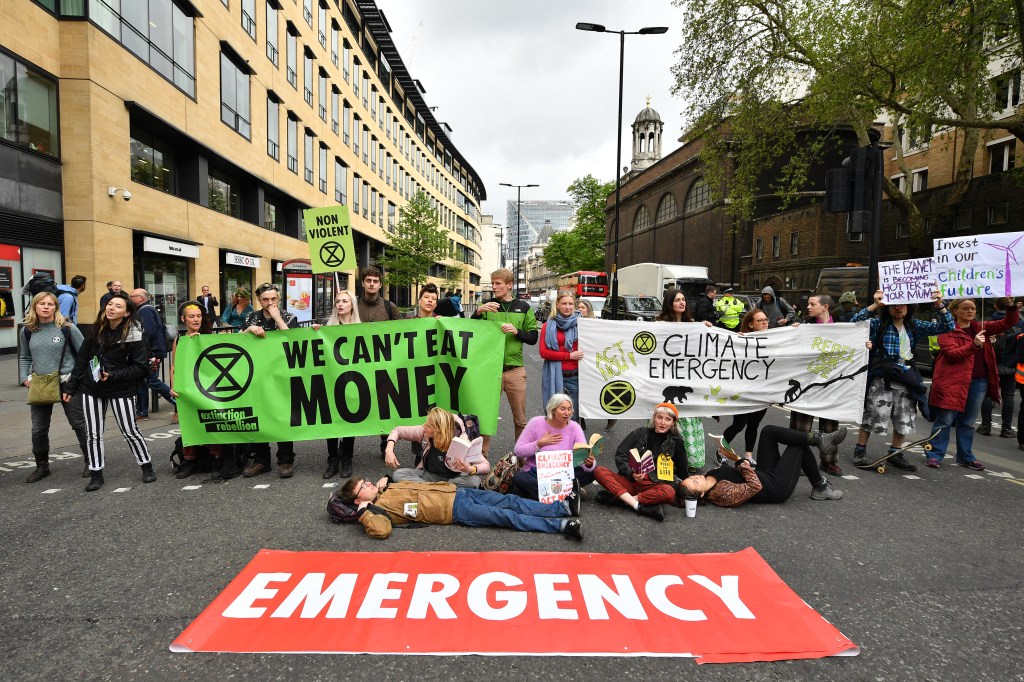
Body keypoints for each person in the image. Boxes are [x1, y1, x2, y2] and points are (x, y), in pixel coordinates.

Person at [850, 289, 954, 469]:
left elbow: (947, 327)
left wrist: (939, 305)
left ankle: (895, 453)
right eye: (894, 305)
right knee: (872, 414)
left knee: (904, 416)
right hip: (882, 376)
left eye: (902, 304)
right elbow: (854, 324)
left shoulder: (914, 326)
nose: (898, 308)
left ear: (909, 307)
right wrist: (874, 304)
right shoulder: (878, 324)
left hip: (906, 377)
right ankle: (860, 450)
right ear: (887, 308)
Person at [62, 293, 154, 492]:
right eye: (109, 304)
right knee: (93, 433)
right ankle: (96, 473)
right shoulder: (96, 330)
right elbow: (82, 360)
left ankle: (146, 466)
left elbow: (140, 368)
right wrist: (71, 387)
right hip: (91, 388)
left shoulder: (135, 333)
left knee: (129, 430)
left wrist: (111, 375)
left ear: (127, 312)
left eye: (118, 306)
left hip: (121, 388)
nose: (111, 308)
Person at [926, 298, 1019, 470]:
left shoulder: (981, 326)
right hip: (952, 382)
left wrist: (1011, 306)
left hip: (979, 382)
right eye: (966, 308)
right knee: (945, 420)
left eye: (973, 308)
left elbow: (1009, 322)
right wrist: (974, 344)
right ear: (955, 311)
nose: (971, 311)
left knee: (968, 422)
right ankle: (934, 454)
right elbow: (953, 354)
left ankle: (965, 456)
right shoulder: (947, 329)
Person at [341, 476, 583, 541]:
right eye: (364, 486)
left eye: (366, 481)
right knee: (506, 516)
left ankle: (561, 508)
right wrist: (363, 512)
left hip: (457, 492)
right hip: (454, 511)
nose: (369, 483)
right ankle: (561, 526)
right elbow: (381, 531)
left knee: (510, 500)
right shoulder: (376, 512)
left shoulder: (386, 488)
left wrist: (384, 482)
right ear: (357, 499)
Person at [680, 425, 845, 507]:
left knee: (768, 431)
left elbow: (738, 474)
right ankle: (820, 487)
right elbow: (754, 487)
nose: (695, 477)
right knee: (798, 447)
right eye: (694, 482)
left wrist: (733, 458)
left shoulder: (708, 475)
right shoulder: (720, 494)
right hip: (775, 487)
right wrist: (738, 460)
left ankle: (817, 439)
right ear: (701, 494)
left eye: (691, 477)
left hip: (763, 473)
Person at [19, 291, 89, 483]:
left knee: (78, 423)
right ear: (35, 306)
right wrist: (24, 378)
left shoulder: (66, 327)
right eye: (42, 303)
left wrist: (74, 381)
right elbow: (25, 357)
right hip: (41, 383)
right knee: (38, 428)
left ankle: (91, 461)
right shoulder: (27, 330)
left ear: (56, 307)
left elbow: (84, 354)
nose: (46, 307)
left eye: (51, 304)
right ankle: (42, 467)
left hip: (67, 382)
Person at [471, 268, 538, 454]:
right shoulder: (488, 306)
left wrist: (517, 331)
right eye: (492, 283)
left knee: (520, 420)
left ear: (509, 285)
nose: (494, 287)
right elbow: (469, 332)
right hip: (490, 371)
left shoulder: (523, 307)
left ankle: (522, 457)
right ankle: (480, 459)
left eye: (498, 283)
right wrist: (477, 312)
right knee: (485, 417)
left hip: (515, 370)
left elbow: (533, 337)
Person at [169, 301, 236, 480]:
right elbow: (174, 366)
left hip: (208, 388)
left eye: (199, 316)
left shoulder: (210, 337)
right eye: (192, 316)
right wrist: (173, 386)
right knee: (189, 425)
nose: (196, 319)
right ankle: (189, 462)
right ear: (183, 319)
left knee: (211, 423)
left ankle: (216, 461)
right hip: (188, 390)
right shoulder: (179, 340)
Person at [241, 282, 300, 478]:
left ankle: (285, 460)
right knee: (259, 416)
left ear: (279, 299)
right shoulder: (251, 317)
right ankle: (261, 460)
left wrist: (277, 319)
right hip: (257, 374)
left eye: (273, 299)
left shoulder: (289, 316)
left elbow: (294, 340)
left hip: (281, 374)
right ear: (259, 300)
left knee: (281, 416)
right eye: (265, 299)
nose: (269, 302)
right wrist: (249, 329)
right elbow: (238, 341)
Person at [593, 403, 688, 522]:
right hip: (631, 481)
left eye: (668, 419)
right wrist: (631, 473)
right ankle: (641, 506)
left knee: (669, 492)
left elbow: (683, 471)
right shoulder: (640, 432)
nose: (663, 422)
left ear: (673, 422)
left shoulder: (677, 441)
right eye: (660, 417)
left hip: (654, 486)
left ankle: (623, 500)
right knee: (598, 470)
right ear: (654, 418)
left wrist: (687, 491)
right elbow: (621, 455)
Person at [654, 288, 710, 474]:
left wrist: (707, 329)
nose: (682, 303)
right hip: (666, 380)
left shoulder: (693, 324)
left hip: (686, 378)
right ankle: (665, 461)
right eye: (677, 300)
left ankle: (690, 462)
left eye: (684, 299)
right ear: (670, 303)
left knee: (688, 420)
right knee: (666, 420)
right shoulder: (659, 324)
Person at [789, 294, 843, 475]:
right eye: (808, 304)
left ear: (825, 307)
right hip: (807, 383)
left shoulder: (843, 328)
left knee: (830, 425)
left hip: (831, 383)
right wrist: (794, 332)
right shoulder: (805, 326)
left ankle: (828, 461)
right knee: (801, 426)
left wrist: (864, 344)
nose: (808, 307)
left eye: (813, 304)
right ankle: (796, 460)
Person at [512, 393, 595, 500]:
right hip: (538, 473)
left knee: (594, 471)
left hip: (564, 473)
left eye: (569, 409)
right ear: (553, 410)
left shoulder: (575, 427)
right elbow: (518, 450)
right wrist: (538, 443)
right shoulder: (536, 422)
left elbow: (583, 455)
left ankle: (544, 493)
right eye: (563, 409)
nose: (567, 413)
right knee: (519, 478)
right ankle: (568, 492)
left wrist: (589, 464)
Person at [356, 266, 400, 457]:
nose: (372, 284)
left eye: (375, 281)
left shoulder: (390, 308)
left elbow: (404, 332)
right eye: (368, 281)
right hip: (357, 365)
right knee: (354, 404)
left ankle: (385, 443)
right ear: (363, 283)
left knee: (384, 406)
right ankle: (347, 449)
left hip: (384, 365)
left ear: (380, 285)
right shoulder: (353, 305)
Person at [384, 407, 490, 487]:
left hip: (454, 479)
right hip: (429, 476)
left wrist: (470, 468)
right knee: (398, 474)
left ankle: (430, 491)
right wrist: (389, 450)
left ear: (438, 430)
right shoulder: (424, 432)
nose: (424, 426)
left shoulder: (462, 440)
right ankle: (440, 491)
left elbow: (486, 466)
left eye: (429, 425)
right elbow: (397, 430)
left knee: (473, 481)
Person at [717, 308, 771, 463]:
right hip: (744, 391)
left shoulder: (773, 340)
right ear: (751, 324)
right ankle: (721, 450)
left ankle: (748, 456)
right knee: (739, 425)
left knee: (754, 424)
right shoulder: (741, 340)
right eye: (760, 320)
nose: (765, 322)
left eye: (766, 319)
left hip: (762, 391)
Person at [316, 291, 360, 478]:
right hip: (332, 379)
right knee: (332, 419)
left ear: (352, 305)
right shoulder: (328, 328)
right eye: (337, 301)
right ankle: (332, 458)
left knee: (350, 418)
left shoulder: (362, 328)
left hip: (353, 380)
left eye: (344, 301)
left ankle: (347, 457)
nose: (340, 304)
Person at [128, 288, 176, 421]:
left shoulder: (145, 310)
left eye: (132, 296)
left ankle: (178, 404)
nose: (130, 298)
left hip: (151, 352)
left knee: (152, 381)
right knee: (142, 382)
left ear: (140, 298)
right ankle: (142, 412)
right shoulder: (143, 309)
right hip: (150, 351)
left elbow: (148, 332)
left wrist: (143, 350)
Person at [978, 302, 1022, 438]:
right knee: (1008, 396)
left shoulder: (988, 323)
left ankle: (986, 425)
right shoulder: (1018, 324)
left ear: (996, 306)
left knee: (988, 395)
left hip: (991, 365)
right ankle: (1006, 428)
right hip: (1009, 366)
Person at [539, 290, 583, 425]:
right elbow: (543, 352)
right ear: (557, 304)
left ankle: (573, 444)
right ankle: (555, 443)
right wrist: (569, 355)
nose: (567, 307)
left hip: (574, 377)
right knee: (554, 413)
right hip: (554, 375)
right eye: (564, 303)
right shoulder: (548, 325)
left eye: (570, 303)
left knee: (572, 416)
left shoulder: (582, 324)